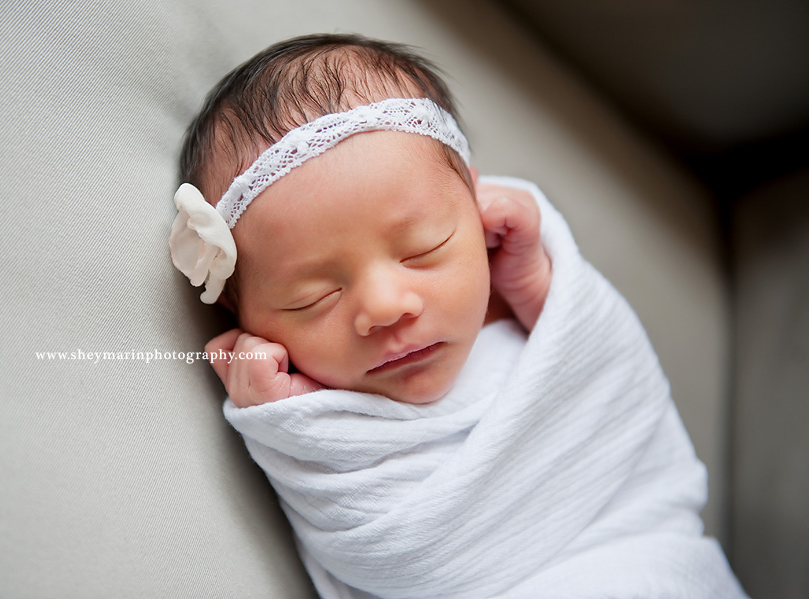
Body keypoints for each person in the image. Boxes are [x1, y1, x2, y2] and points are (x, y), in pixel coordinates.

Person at [169, 33, 746, 599]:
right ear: (243, 314)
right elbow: (390, 558)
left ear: (476, 211)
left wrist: (534, 282)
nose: (386, 307)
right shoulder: (317, 407)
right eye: (313, 296)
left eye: (423, 248)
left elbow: (617, 386)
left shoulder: (532, 312)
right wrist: (286, 421)